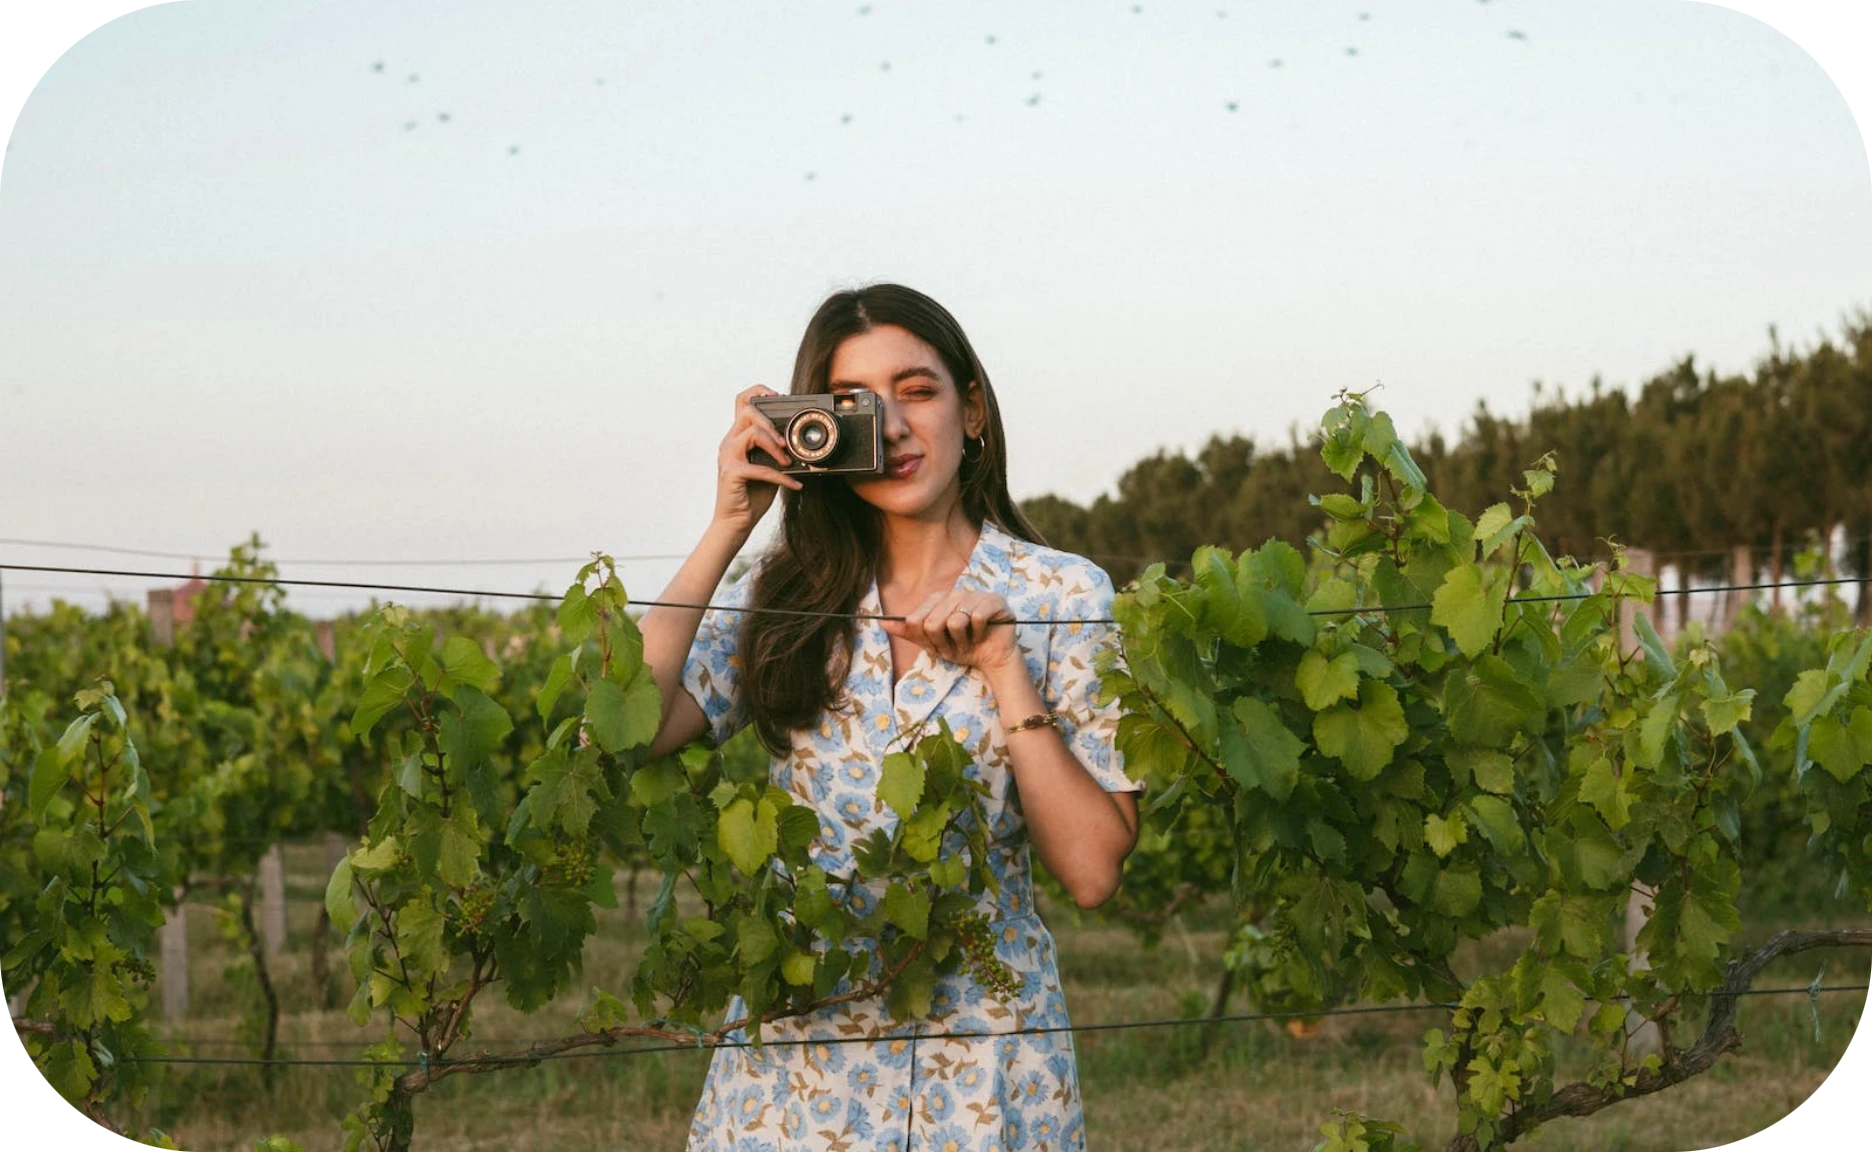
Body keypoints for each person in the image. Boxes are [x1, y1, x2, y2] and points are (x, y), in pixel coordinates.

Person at [639, 283, 1141, 1152]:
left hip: (983, 1069)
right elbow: (628, 729)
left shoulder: (1063, 593)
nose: (895, 429)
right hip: (794, 1070)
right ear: (815, 433)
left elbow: (1093, 870)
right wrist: (728, 525)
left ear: (972, 409)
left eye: (917, 391)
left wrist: (1002, 669)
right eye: (856, 409)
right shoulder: (784, 599)